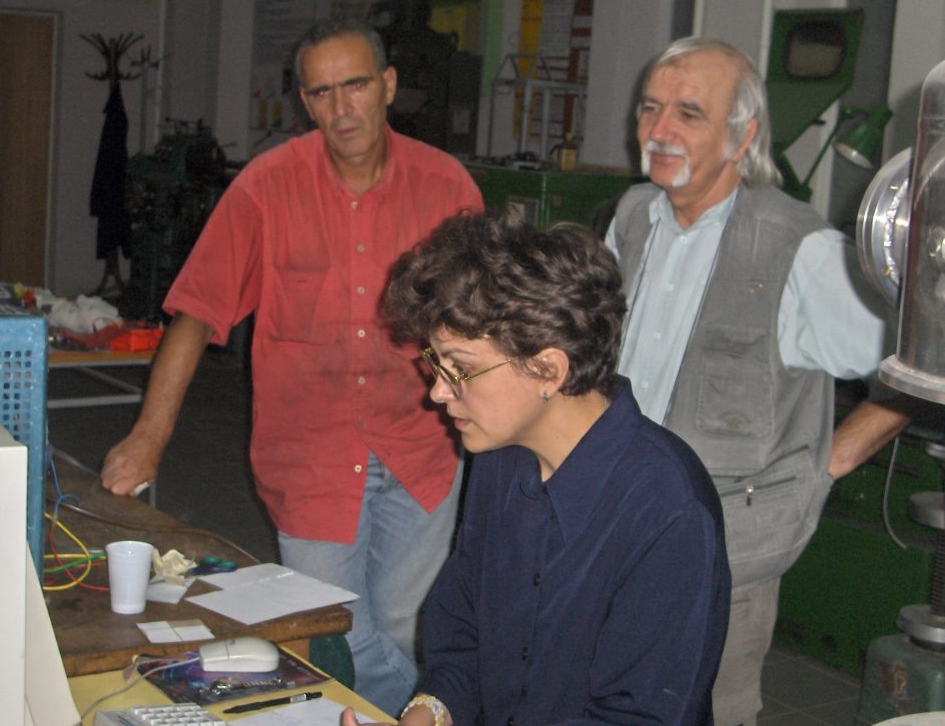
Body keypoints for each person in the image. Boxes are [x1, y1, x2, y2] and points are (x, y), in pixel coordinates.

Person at [99, 19, 483, 715]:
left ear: (388, 86)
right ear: (305, 102)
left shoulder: (445, 186)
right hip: (310, 456)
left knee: (410, 623)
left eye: (355, 85)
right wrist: (148, 436)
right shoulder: (266, 187)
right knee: (336, 630)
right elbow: (197, 313)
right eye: (322, 92)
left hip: (422, 446)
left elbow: (484, 322)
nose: (342, 107)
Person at [603, 37, 914, 726]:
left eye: (688, 113)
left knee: (709, 711)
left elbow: (919, 365)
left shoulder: (798, 247)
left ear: (742, 137)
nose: (658, 130)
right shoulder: (630, 219)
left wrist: (827, 462)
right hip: (615, 531)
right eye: (650, 108)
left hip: (724, 554)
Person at [342, 210, 731, 726]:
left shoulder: (667, 509)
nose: (437, 391)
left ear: (547, 370)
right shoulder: (500, 458)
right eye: (437, 363)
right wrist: (430, 711)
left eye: (460, 368)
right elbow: (462, 633)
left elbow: (639, 715)